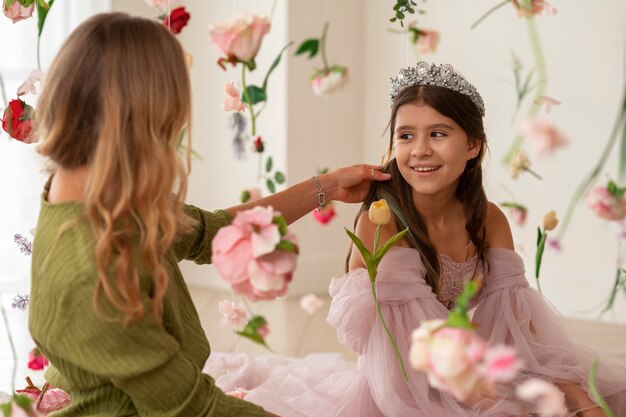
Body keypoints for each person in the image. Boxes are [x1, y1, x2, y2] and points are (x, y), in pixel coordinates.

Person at [206, 62, 626, 416]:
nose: (420, 150)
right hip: (402, 379)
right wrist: (483, 398)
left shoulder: (489, 219)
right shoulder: (382, 220)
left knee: (589, 398)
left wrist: (566, 386)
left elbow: (518, 324)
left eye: (438, 134)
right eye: (406, 135)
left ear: (473, 145)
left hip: (463, 363)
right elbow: (405, 350)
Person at [28, 12, 390, 417]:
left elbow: (214, 233)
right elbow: (192, 409)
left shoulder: (105, 195)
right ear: (143, 115)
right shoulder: (92, 264)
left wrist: (329, 185)